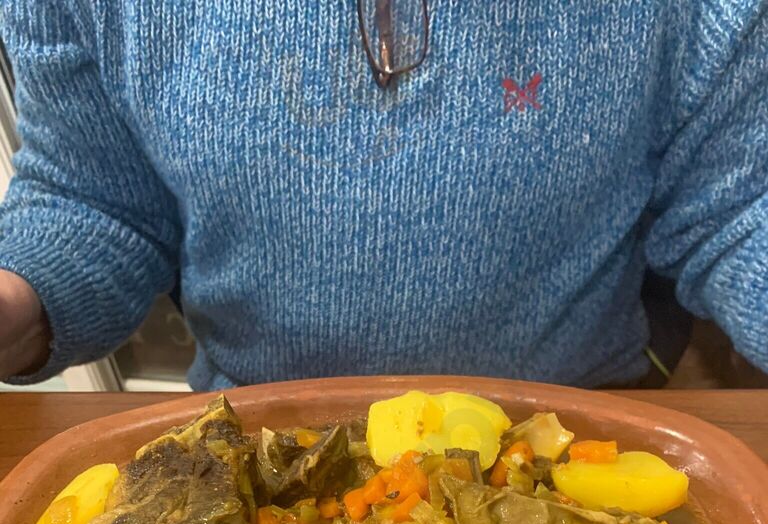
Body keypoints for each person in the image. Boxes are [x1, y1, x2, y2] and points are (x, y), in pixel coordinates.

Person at [0, 1, 766, 390]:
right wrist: (21, 299)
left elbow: (737, 205)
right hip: (250, 462)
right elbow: (97, 197)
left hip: (578, 449)